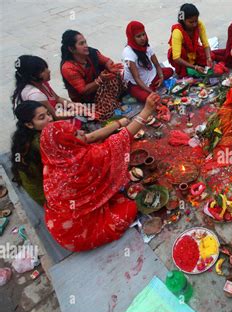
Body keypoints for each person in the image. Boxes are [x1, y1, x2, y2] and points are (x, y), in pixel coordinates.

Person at [40, 94, 160, 252]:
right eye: (76, 134)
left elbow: (92, 138)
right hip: (77, 233)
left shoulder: (53, 160)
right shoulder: (86, 159)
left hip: (59, 221)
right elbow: (122, 138)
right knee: (129, 208)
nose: (82, 133)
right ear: (68, 144)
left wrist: (117, 123)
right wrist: (146, 110)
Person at [60, 30, 125, 120]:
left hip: (99, 88)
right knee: (106, 112)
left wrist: (110, 67)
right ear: (71, 49)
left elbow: (107, 61)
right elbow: (83, 90)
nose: (86, 46)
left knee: (115, 74)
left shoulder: (91, 52)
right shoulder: (68, 68)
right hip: (87, 99)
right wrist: (100, 80)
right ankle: (103, 107)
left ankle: (112, 101)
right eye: (81, 44)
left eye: (85, 42)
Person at [12, 55, 88, 120]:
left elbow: (57, 98)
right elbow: (55, 116)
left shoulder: (42, 82)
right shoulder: (36, 95)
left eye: (46, 68)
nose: (48, 71)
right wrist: (77, 112)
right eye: (43, 70)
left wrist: (74, 105)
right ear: (33, 76)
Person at [10, 101, 53, 205]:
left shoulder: (23, 136)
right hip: (45, 195)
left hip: (39, 185)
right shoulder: (39, 142)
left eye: (48, 114)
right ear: (29, 124)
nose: (50, 118)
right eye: (42, 118)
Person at [123, 21, 174, 103]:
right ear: (132, 37)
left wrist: (161, 77)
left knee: (170, 71)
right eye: (138, 36)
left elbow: (157, 64)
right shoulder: (128, 54)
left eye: (143, 34)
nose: (143, 38)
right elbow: (136, 78)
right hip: (137, 84)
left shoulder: (146, 46)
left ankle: (152, 87)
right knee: (147, 98)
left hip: (151, 75)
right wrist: (152, 92)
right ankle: (149, 89)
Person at [167, 3, 214, 77]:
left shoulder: (199, 25)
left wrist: (208, 58)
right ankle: (186, 70)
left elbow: (205, 43)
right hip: (182, 57)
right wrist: (194, 67)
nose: (194, 24)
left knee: (210, 55)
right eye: (191, 22)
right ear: (183, 20)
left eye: (196, 21)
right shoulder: (177, 32)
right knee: (181, 53)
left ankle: (195, 65)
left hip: (193, 52)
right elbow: (176, 58)